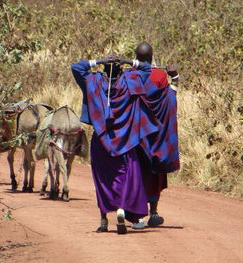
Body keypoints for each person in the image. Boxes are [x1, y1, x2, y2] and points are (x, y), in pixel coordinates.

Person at [71, 55, 161, 234]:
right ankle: (121, 208)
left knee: (102, 180)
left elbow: (76, 68)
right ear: (122, 71)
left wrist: (99, 61)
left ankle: (104, 221)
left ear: (104, 70)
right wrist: (127, 61)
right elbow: (146, 69)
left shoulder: (92, 82)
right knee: (126, 178)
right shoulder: (131, 81)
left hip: (102, 142)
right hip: (126, 140)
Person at [132, 42, 180, 229]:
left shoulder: (131, 75)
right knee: (154, 173)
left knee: (136, 172)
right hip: (155, 134)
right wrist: (175, 77)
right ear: (152, 59)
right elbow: (168, 98)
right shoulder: (160, 75)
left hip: (135, 132)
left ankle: (138, 215)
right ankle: (154, 213)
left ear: (135, 58)